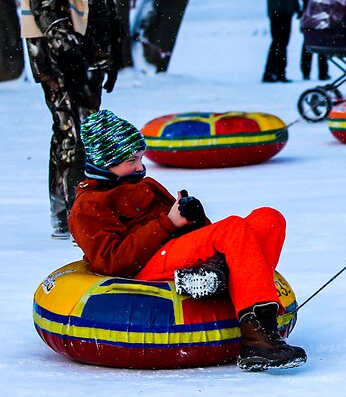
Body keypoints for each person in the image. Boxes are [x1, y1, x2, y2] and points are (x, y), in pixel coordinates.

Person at [68, 110, 306, 371]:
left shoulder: (146, 184)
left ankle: (226, 280)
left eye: (140, 158)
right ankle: (257, 339)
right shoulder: (89, 205)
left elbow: (200, 236)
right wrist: (167, 223)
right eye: (131, 160)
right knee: (234, 227)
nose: (140, 166)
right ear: (105, 161)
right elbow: (111, 261)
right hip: (145, 265)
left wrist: (194, 217)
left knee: (268, 219)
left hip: (173, 252)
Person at [11, 0, 122, 238]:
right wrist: (70, 58)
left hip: (85, 54)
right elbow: (48, 6)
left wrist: (108, 54)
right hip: (57, 58)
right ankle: (67, 214)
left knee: (89, 130)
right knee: (69, 130)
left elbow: (97, 1)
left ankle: (87, 210)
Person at [296, 0, 332, 81]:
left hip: (323, 12)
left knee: (323, 42)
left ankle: (323, 71)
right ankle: (306, 71)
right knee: (308, 42)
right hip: (309, 12)